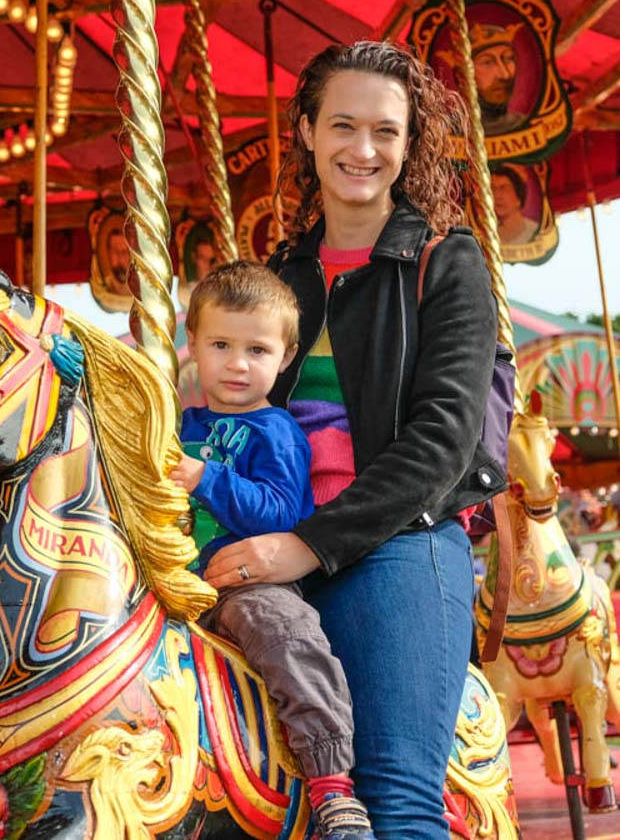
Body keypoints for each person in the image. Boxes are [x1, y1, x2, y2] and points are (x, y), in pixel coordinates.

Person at [202, 41, 506, 838]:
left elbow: (441, 441)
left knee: (396, 800)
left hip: (398, 541)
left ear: (409, 147)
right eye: (342, 125)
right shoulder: (282, 277)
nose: (362, 150)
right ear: (306, 131)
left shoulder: (445, 266)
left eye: (385, 132)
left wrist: (306, 544)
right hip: (268, 536)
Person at [171, 260, 376, 840]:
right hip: (180, 586)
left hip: (249, 582)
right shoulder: (180, 425)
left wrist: (203, 477)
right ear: (192, 345)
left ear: (285, 358)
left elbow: (283, 514)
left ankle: (332, 783)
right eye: (220, 344)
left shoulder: (275, 431)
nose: (237, 363)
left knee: (283, 632)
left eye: (257, 350)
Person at [469, 22, 526, 135]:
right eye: (487, 62)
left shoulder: (524, 124)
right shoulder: (450, 131)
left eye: (509, 59)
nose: (504, 75)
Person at [491, 166, 538, 246]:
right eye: (493, 189)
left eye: (504, 188)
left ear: (519, 198)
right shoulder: (488, 234)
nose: (497, 195)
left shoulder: (534, 231)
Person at [105, 227, 131, 294]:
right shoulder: (105, 285)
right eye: (116, 251)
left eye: (125, 251)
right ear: (108, 253)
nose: (121, 257)